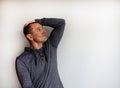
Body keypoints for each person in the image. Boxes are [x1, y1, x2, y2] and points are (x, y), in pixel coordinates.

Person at [15, 18, 65, 88]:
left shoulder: (50, 46)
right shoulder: (21, 60)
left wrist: (39, 21)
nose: (44, 31)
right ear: (30, 37)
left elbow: (61, 23)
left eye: (42, 28)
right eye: (39, 29)